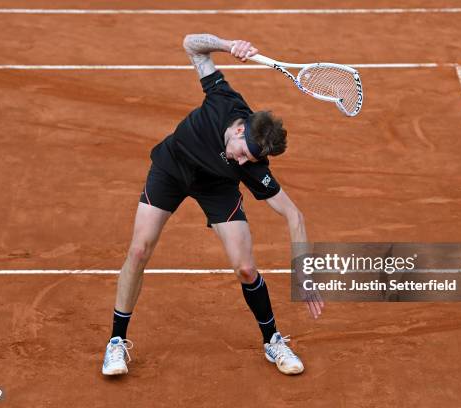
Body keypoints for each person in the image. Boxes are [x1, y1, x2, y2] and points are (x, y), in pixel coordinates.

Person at [102, 33, 323, 377]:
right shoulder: (222, 99)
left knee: (246, 269)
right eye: (244, 154)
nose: (244, 162)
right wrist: (228, 44)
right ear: (238, 132)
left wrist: (305, 273)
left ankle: (273, 340)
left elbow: (294, 214)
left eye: (252, 160)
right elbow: (191, 43)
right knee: (139, 251)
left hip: (217, 187)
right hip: (172, 169)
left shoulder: (251, 166)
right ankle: (116, 343)